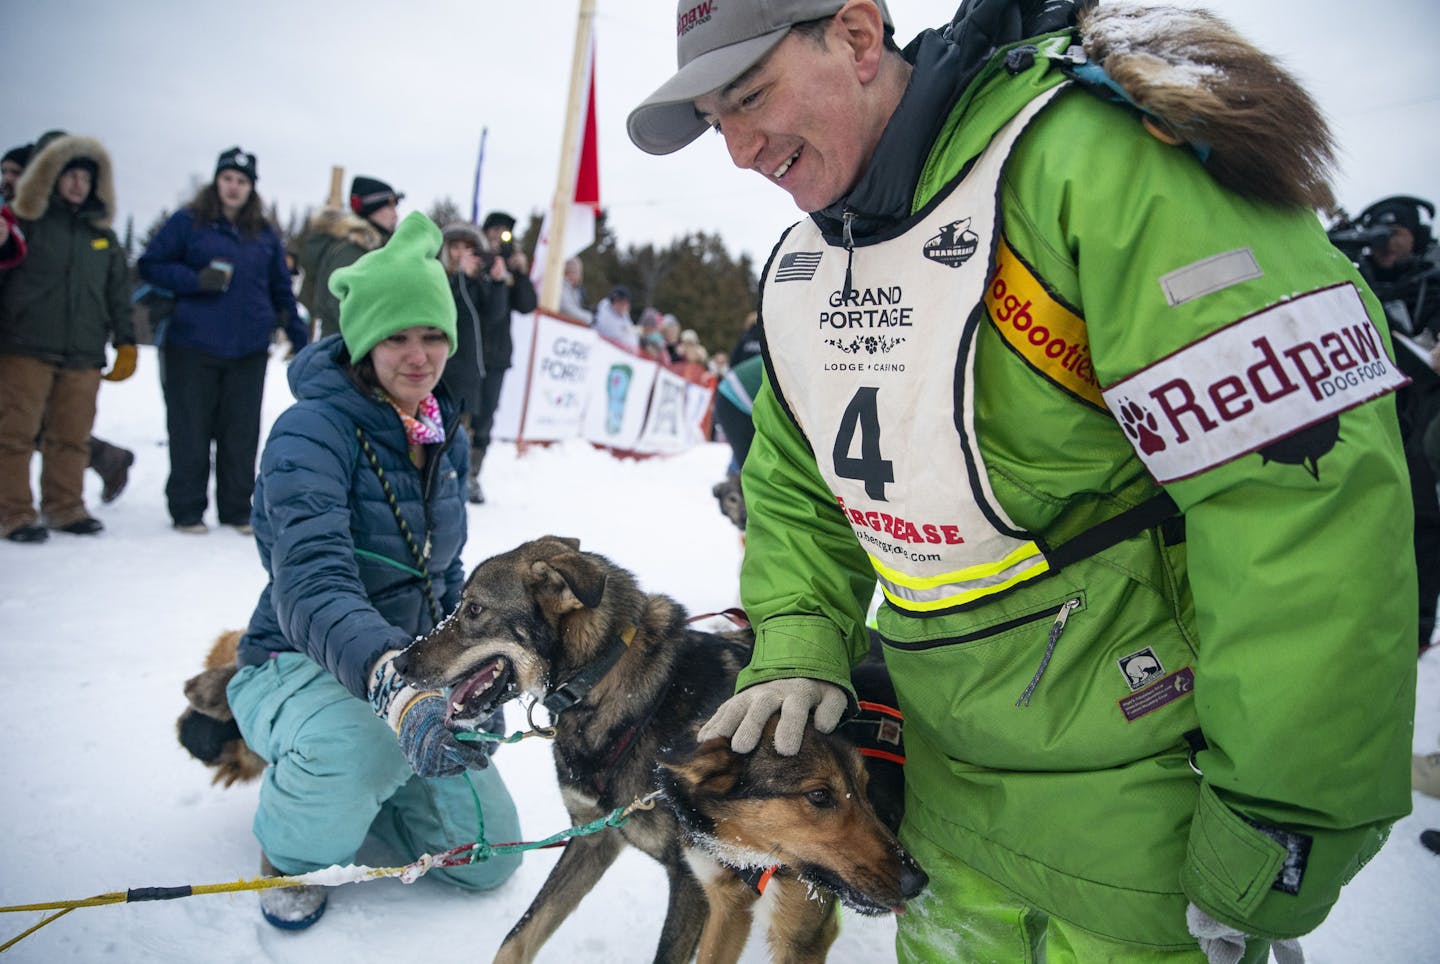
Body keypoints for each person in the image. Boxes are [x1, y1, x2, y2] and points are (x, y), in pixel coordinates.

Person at [628, 1, 1417, 960]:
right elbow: (798, 487)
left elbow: (1298, 494)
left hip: (1145, 813)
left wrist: (1283, 808)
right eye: (717, 122)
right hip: (944, 812)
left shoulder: (1095, 166)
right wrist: (797, 637)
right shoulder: (809, 264)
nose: (742, 151)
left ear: (859, 35)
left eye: (752, 96)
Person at [225, 211, 520, 930]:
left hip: (411, 668)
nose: (418, 356)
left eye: (432, 335)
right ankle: (294, 848)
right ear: (364, 342)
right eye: (396, 336)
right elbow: (311, 583)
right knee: (358, 744)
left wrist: (468, 671)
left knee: (489, 857)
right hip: (295, 657)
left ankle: (376, 780)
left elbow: (445, 577)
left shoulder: (437, 429)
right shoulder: (311, 430)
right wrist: (391, 682)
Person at [138, 147, 309, 534]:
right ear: (216, 182)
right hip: (191, 344)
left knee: (241, 432)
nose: (234, 187)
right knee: (190, 428)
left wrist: (301, 342)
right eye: (228, 179)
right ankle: (187, 509)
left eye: (242, 181)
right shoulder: (188, 223)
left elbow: (282, 290)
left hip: (248, 348)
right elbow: (151, 264)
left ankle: (235, 509)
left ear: (251, 189)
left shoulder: (263, 234)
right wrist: (194, 280)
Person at [0, 131, 135, 542]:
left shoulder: (103, 238)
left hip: (83, 351)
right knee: (14, 434)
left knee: (71, 436)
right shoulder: (24, 225)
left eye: (85, 178)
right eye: (70, 175)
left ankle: (65, 507)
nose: (78, 184)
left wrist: (126, 341)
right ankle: (13, 512)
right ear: (51, 176)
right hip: (25, 347)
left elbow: (118, 295)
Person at [1336, 197, 1440, 650]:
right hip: (1373, 413)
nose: (1384, 245)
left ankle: (1417, 627)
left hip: (1424, 412)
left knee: (1422, 516)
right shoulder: (1353, 278)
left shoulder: (1431, 280)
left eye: (1393, 234)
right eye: (1376, 235)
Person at [467, 210, 537, 504]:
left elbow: (527, 305)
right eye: (494, 231)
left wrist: (519, 274)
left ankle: (472, 473)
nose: (499, 237)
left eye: (504, 232)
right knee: (459, 414)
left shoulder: (509, 267)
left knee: (485, 417)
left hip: (496, 355)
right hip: (468, 350)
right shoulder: (473, 260)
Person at [297, 175, 402, 340]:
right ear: (371, 209)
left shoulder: (367, 248)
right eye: (389, 207)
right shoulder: (352, 251)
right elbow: (344, 309)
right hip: (346, 348)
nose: (395, 215)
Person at [436, 221, 492, 502]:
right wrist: (460, 277)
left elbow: (494, 314)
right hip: (445, 366)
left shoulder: (477, 283)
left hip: (472, 366)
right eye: (455, 247)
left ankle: (462, 477)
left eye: (467, 248)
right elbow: (451, 307)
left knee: (468, 426)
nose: (460, 254)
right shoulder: (439, 277)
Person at [593, 284, 638, 349]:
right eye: (620, 303)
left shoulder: (624, 315)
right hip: (602, 349)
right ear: (613, 302)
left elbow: (632, 336)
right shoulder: (605, 314)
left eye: (626, 303)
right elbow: (614, 335)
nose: (624, 306)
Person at [559, 256, 593, 324]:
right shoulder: (561, 287)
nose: (580, 276)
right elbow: (567, 310)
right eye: (578, 272)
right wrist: (589, 317)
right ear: (570, 272)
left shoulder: (575, 290)